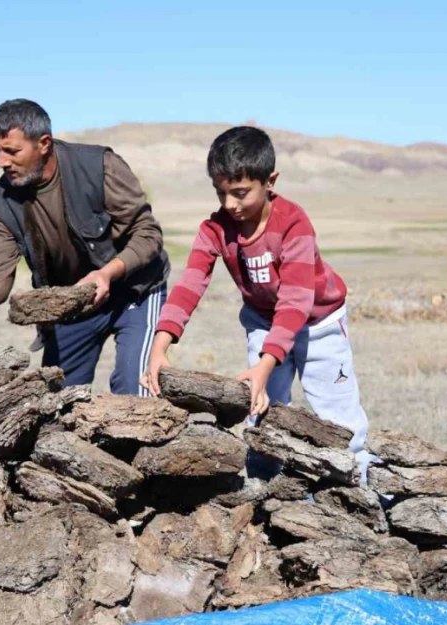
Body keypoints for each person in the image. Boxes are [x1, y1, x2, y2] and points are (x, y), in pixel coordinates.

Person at [141, 126, 370, 460]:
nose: (229, 204)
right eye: (220, 194)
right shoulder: (215, 229)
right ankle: (265, 493)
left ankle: (357, 483)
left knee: (338, 419)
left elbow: (295, 302)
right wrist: (159, 347)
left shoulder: (293, 224)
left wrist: (265, 367)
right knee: (261, 411)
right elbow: (189, 286)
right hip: (263, 322)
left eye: (240, 192)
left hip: (318, 324)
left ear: (270, 181)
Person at [0, 99, 170, 395]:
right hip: (73, 303)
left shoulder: (98, 166)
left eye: (12, 151)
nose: (2, 162)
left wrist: (106, 274)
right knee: (56, 403)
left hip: (135, 290)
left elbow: (148, 234)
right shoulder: (1, 203)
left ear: (44, 143)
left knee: (134, 390)